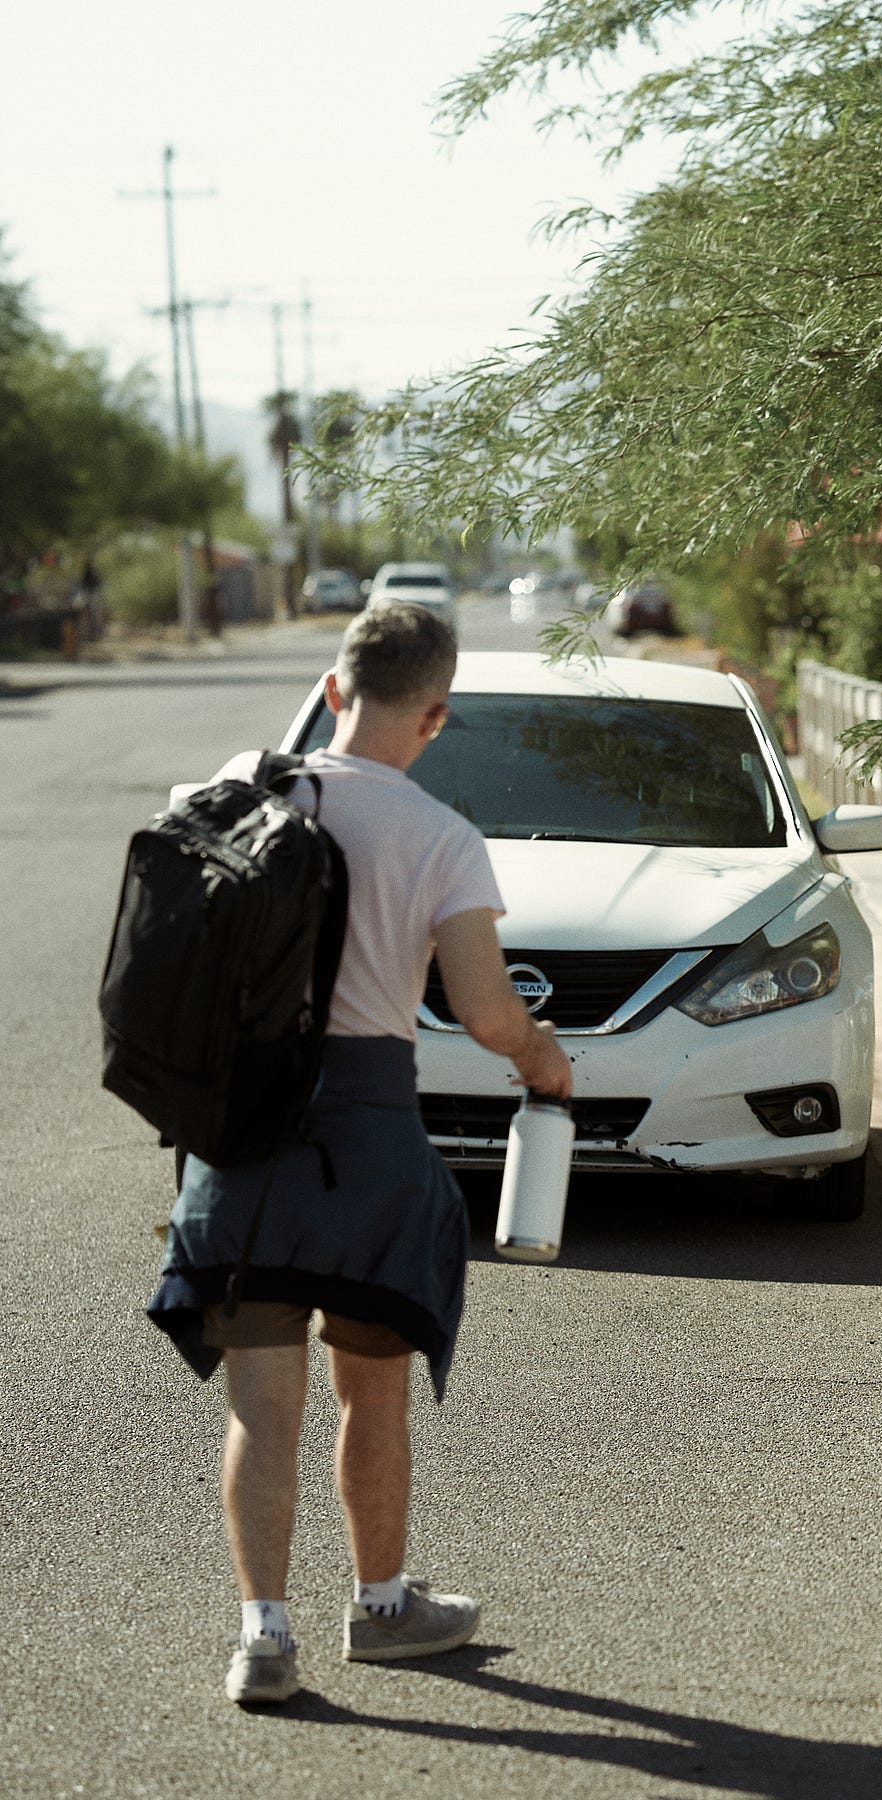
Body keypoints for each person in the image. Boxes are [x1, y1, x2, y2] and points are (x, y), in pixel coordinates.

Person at [146, 603, 575, 1707]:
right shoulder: (442, 837)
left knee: (260, 1402)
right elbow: (485, 1012)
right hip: (372, 1145)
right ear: (435, 715)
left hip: (239, 1142)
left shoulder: (248, 782)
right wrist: (543, 1060)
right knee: (369, 1398)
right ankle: (382, 1608)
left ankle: (263, 1638)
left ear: (335, 691)